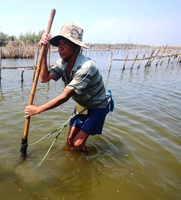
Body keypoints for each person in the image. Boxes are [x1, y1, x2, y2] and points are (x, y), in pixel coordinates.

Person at [24, 23, 114, 153]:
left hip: (97, 106)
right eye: (59, 44)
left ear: (76, 46)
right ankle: (78, 159)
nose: (60, 48)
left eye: (65, 43)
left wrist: (37, 110)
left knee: (77, 143)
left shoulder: (87, 67)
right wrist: (44, 52)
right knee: (70, 139)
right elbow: (44, 78)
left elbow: (65, 96)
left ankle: (84, 164)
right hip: (83, 105)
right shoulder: (62, 63)